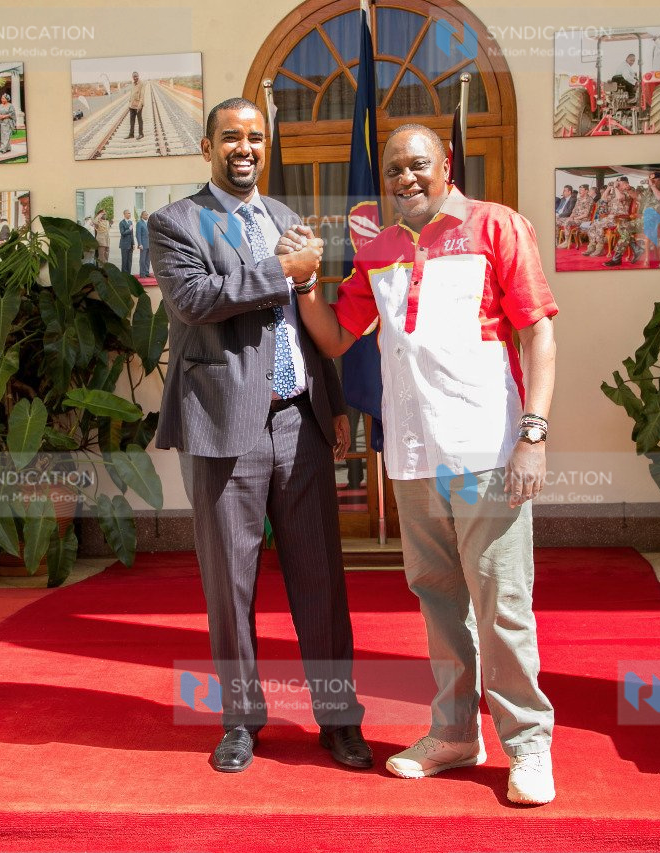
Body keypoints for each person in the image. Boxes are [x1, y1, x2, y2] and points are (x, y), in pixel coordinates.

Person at [288, 123, 558, 805]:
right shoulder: (376, 249)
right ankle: (454, 732)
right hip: (410, 455)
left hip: (488, 451)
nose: (405, 179)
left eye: (417, 166)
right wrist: (302, 285)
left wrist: (534, 433)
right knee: (439, 602)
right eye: (393, 171)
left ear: (447, 165)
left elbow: (539, 331)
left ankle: (528, 746)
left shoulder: (496, 226)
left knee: (504, 606)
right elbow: (336, 334)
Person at [149, 97, 369, 775]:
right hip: (222, 426)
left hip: (296, 420)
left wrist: (330, 400)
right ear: (208, 145)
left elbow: (307, 319)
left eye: (255, 138)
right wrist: (285, 271)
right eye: (231, 138)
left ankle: (339, 717)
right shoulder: (174, 222)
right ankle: (241, 719)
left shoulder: (283, 219)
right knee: (230, 583)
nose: (244, 148)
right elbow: (196, 299)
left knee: (321, 577)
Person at [602, 177, 641, 267]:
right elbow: (603, 199)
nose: (618, 184)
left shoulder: (628, 191)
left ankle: (617, 259)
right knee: (624, 231)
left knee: (623, 230)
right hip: (614, 218)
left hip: (623, 218)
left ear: (625, 184)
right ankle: (636, 249)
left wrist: (615, 187)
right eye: (617, 183)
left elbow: (620, 198)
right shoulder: (615, 192)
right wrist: (608, 188)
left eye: (619, 183)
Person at [127, 71, 145, 139]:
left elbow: (142, 95)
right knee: (131, 121)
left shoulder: (141, 84)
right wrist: (129, 103)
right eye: (134, 76)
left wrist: (140, 105)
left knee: (139, 119)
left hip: (138, 105)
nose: (135, 77)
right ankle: (131, 134)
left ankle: (141, 134)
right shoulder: (132, 84)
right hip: (131, 105)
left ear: (138, 76)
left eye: (136, 76)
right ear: (132, 77)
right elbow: (132, 93)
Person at [135, 210, 151, 277]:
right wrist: (139, 244)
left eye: (147, 215)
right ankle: (142, 273)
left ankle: (147, 272)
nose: (147, 216)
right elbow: (138, 234)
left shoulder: (148, 223)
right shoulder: (139, 223)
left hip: (149, 244)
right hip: (143, 244)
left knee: (148, 260)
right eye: (145, 215)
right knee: (142, 259)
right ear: (142, 216)